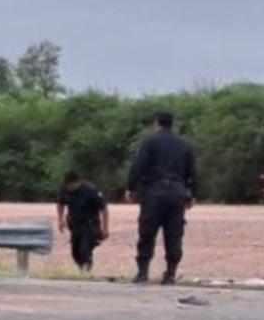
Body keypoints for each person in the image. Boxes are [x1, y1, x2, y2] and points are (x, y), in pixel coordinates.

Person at [126, 112, 198, 285]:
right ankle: (171, 274)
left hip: (153, 193)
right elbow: (192, 172)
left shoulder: (149, 142)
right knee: (174, 234)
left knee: (147, 232)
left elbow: (138, 166)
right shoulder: (184, 145)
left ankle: (143, 272)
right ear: (172, 124)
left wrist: (131, 187)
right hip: (176, 193)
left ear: (157, 124)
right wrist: (192, 194)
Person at [56, 172, 110, 272]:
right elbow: (60, 203)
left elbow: (104, 208)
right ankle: (82, 269)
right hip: (75, 225)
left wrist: (105, 228)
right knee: (75, 252)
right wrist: (60, 220)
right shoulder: (65, 190)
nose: (68, 188)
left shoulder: (90, 190)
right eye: (66, 186)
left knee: (84, 249)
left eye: (69, 186)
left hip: (90, 224)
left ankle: (87, 270)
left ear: (76, 183)